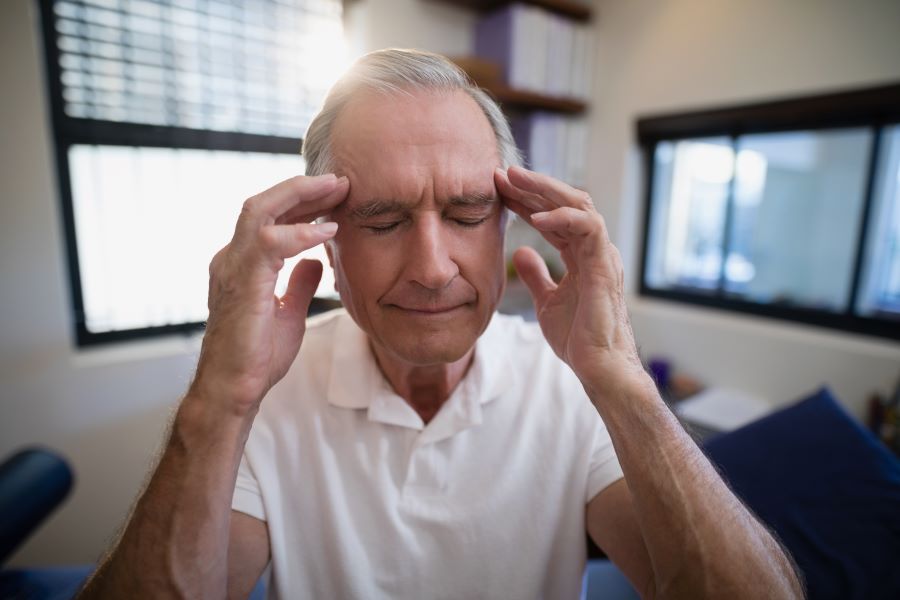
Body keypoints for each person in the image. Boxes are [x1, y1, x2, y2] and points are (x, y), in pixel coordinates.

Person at [78, 49, 802, 599]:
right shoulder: (267, 394)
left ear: (510, 227)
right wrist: (217, 402)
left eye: (466, 214)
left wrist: (624, 382)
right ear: (327, 243)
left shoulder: (572, 385)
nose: (432, 266)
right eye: (382, 220)